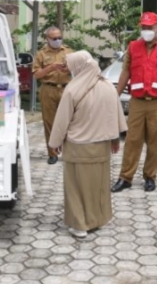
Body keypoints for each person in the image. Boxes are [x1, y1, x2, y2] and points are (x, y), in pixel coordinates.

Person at [48, 51, 127, 238]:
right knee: (97, 187)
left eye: (70, 67)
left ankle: (80, 225)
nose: (69, 70)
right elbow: (115, 115)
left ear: (79, 67)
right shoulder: (108, 87)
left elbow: (62, 120)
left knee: (76, 188)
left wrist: (55, 142)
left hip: (78, 148)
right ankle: (97, 220)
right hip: (102, 147)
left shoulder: (72, 90)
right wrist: (115, 139)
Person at [111, 12, 157, 193]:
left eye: (150, 27)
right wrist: (115, 96)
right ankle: (125, 177)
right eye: (144, 27)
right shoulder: (133, 47)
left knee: (154, 141)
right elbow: (125, 73)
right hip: (137, 101)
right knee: (132, 140)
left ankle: (150, 177)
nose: (146, 30)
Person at [32, 26, 73, 164]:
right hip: (48, 89)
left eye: (60, 37)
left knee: (69, 121)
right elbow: (36, 75)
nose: (58, 40)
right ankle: (52, 153)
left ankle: (69, 151)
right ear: (47, 39)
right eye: (54, 38)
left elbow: (78, 68)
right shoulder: (41, 54)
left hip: (66, 89)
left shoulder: (68, 51)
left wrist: (68, 68)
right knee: (49, 122)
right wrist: (51, 67)